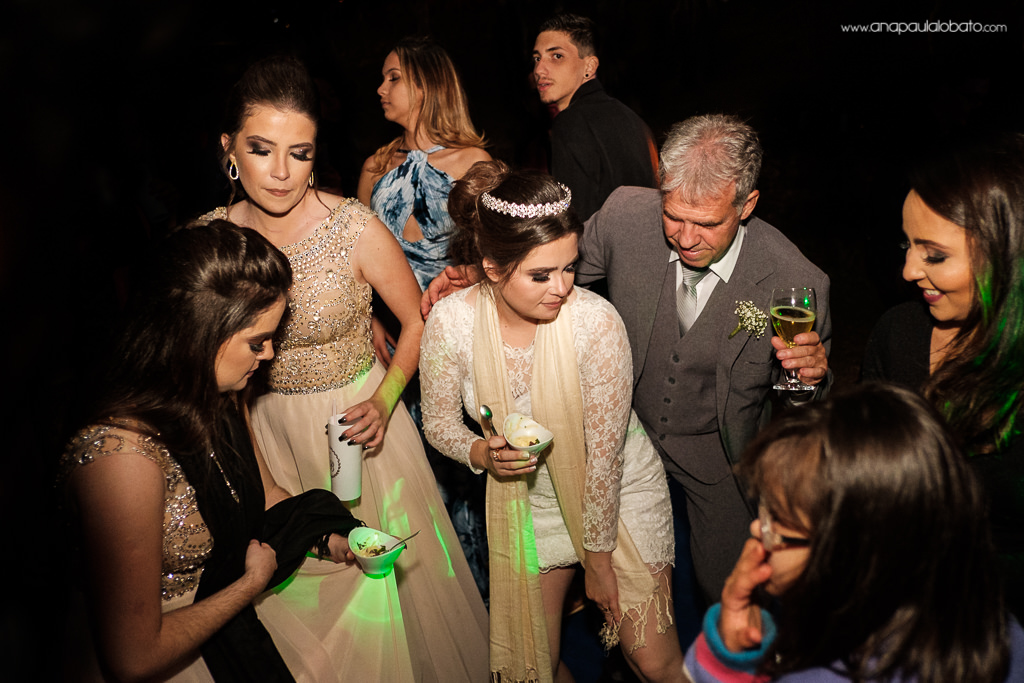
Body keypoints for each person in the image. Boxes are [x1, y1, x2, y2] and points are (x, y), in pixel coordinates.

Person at [423, 114, 832, 609]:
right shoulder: (624, 216)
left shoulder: (793, 280)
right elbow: (544, 262)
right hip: (621, 433)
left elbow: (804, 419)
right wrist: (478, 275)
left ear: (747, 205)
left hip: (718, 457)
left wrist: (809, 380)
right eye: (673, 216)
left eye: (707, 224)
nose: (686, 237)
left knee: (732, 591)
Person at [202, 55, 489, 682]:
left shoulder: (352, 226)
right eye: (261, 149)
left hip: (359, 433)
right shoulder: (207, 243)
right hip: (259, 438)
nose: (281, 172)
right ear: (229, 149)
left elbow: (416, 321)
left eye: (300, 153)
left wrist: (386, 400)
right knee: (296, 607)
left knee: (392, 605)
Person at [58, 222, 363, 682]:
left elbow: (267, 496)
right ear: (199, 334)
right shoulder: (120, 459)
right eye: (257, 342)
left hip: (224, 627)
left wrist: (329, 539)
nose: (269, 354)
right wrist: (250, 584)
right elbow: (133, 659)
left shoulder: (221, 397)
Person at [420, 160, 685, 683]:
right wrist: (481, 453)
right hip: (526, 502)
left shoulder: (595, 323)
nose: (562, 287)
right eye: (541, 275)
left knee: (653, 662)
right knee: (531, 668)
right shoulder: (451, 323)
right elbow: (438, 424)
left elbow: (605, 459)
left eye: (570, 267)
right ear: (492, 267)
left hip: (615, 493)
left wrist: (599, 562)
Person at [683, 382, 1024, 682]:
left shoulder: (819, 676)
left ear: (846, 556)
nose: (757, 527)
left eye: (778, 522)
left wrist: (727, 663)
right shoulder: (1003, 636)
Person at [861, 132, 1024, 617]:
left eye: (934, 255)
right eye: (907, 244)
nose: (909, 270)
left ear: (1004, 255)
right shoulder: (899, 333)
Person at [356, 37, 492, 596]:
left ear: (427, 84)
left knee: (463, 477)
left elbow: (503, 260)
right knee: (409, 483)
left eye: (393, 77)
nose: (380, 88)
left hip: (455, 341)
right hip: (392, 347)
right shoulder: (374, 167)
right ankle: (429, 600)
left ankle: (482, 603)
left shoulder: (476, 164)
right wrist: (369, 316)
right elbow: (355, 257)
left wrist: (470, 276)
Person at [532, 13, 658, 220]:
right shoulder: (634, 120)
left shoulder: (571, 122)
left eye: (557, 56)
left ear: (589, 67)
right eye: (537, 58)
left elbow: (575, 220)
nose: (539, 70)